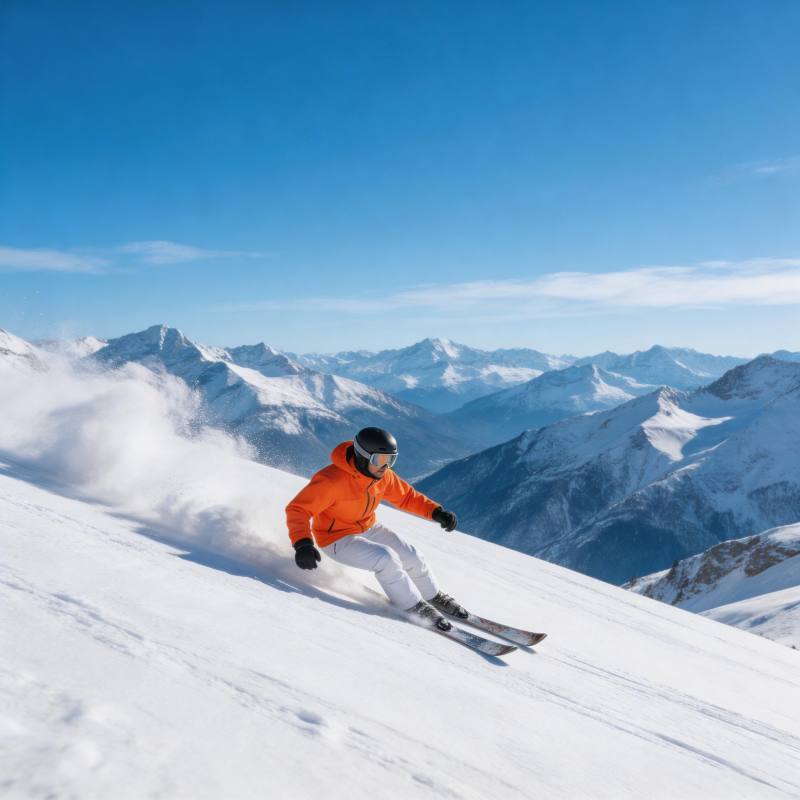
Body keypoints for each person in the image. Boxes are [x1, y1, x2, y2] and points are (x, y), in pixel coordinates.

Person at [285, 427, 465, 631]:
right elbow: (298, 509)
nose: (386, 466)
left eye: (391, 460)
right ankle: (412, 606)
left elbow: (406, 497)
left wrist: (436, 512)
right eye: (380, 460)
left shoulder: (383, 476)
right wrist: (303, 544)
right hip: (336, 538)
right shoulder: (331, 481)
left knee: (412, 556)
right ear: (362, 457)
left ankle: (434, 597)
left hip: (368, 526)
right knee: (385, 558)